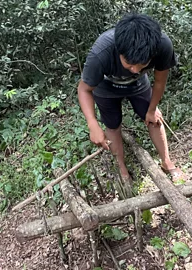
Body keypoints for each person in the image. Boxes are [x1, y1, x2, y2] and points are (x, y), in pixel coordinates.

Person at [77, 13, 186, 182]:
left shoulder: (162, 45)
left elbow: (159, 82)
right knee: (112, 125)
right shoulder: (101, 52)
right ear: (118, 50)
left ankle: (167, 162)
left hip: (138, 85)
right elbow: (84, 89)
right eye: (129, 64)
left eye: (141, 64)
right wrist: (93, 124)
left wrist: (152, 109)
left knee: (154, 119)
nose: (135, 69)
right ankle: (122, 169)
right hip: (105, 87)